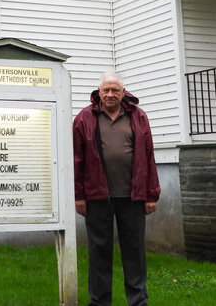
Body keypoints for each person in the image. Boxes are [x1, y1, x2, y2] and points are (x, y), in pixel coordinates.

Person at [73, 72, 161, 306]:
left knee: (134, 253)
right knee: (99, 252)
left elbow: (149, 156)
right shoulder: (84, 118)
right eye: (106, 90)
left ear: (123, 92)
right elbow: (77, 160)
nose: (110, 95)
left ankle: (138, 301)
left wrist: (151, 194)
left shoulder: (138, 117)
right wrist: (79, 196)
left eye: (115, 90)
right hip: (96, 196)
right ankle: (100, 302)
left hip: (132, 196)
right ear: (98, 92)